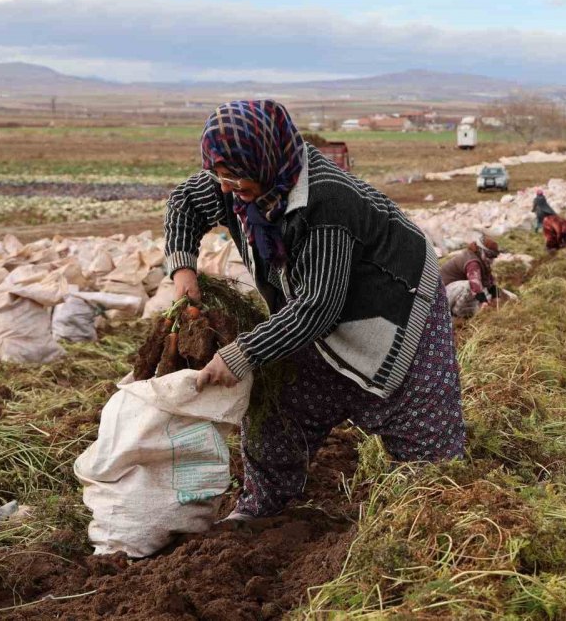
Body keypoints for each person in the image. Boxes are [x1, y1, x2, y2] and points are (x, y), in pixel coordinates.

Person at [164, 100, 465, 520]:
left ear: (264, 158)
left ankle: (430, 506)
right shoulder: (239, 182)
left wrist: (239, 354)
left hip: (393, 299)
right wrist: (183, 269)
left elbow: (318, 307)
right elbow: (185, 201)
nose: (227, 188)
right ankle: (263, 506)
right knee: (281, 401)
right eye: (220, 176)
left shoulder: (326, 202)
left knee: (420, 427)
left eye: (235, 176)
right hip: (310, 299)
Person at [439, 235, 500, 318]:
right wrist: (483, 301)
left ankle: (471, 313)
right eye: (489, 254)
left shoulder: (481, 261)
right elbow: (475, 283)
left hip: (452, 292)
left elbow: (489, 282)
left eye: (494, 255)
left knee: (486, 294)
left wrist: (495, 296)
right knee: (469, 286)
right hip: (441, 294)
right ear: (480, 250)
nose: (491, 258)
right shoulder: (472, 262)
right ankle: (456, 316)